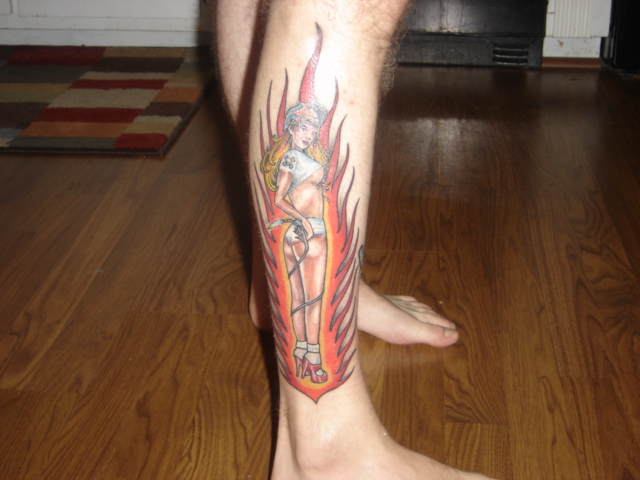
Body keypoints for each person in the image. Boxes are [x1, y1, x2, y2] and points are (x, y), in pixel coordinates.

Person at [214, 0, 496, 478]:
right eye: (303, 124)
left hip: (315, 238)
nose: (307, 129)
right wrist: (295, 221)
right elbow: (284, 197)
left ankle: (273, 286)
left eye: (310, 125)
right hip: (302, 235)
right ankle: (325, 450)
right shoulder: (291, 159)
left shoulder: (305, 155)